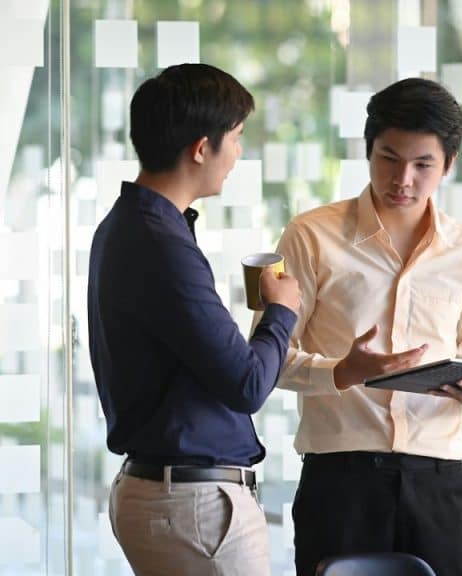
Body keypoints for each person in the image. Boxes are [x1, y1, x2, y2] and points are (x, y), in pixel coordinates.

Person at [275, 78, 462, 576]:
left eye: (423, 165)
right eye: (388, 158)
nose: (403, 179)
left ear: (450, 163)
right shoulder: (311, 236)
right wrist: (343, 371)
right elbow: (270, 359)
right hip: (341, 480)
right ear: (368, 151)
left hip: (438, 481)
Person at [88, 63, 302, 575]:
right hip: (194, 506)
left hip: (171, 495)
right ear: (201, 148)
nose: (239, 153)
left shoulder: (130, 226)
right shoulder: (160, 243)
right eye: (237, 138)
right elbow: (247, 383)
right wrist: (281, 310)